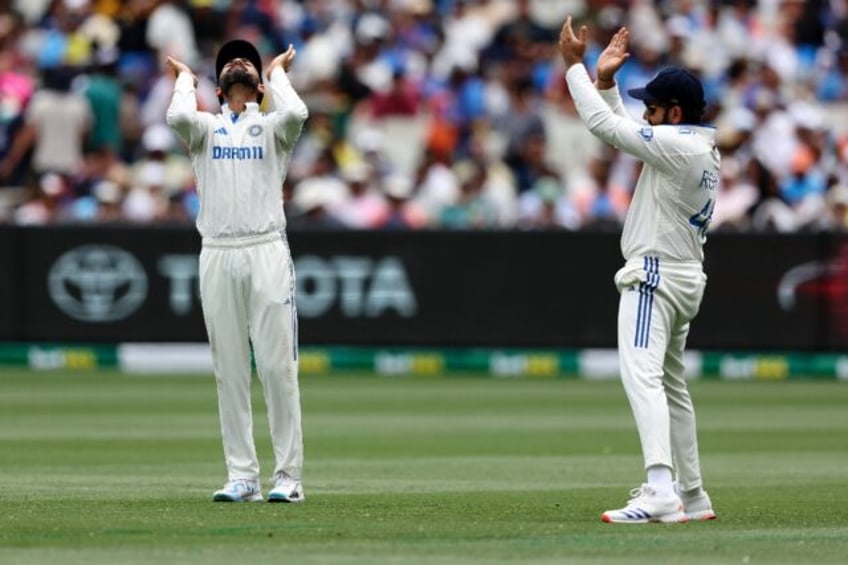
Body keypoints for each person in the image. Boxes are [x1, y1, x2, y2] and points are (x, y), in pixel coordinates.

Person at [558, 17, 719, 524]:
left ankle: (659, 490)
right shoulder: (696, 145)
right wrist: (605, 83)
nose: (645, 113)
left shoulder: (678, 147)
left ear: (674, 112)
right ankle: (692, 495)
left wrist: (574, 68)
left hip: (654, 274)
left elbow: (606, 128)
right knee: (671, 384)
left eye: (652, 107)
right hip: (685, 274)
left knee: (642, 376)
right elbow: (625, 133)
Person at [165, 38, 308, 503]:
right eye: (229, 61)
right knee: (229, 368)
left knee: (276, 368)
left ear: (260, 81)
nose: (239, 63)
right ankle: (243, 476)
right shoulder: (204, 128)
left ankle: (288, 478)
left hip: (265, 249)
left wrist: (279, 75)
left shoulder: (271, 129)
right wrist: (186, 79)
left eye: (247, 60)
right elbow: (178, 117)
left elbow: (297, 115)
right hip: (218, 251)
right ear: (219, 82)